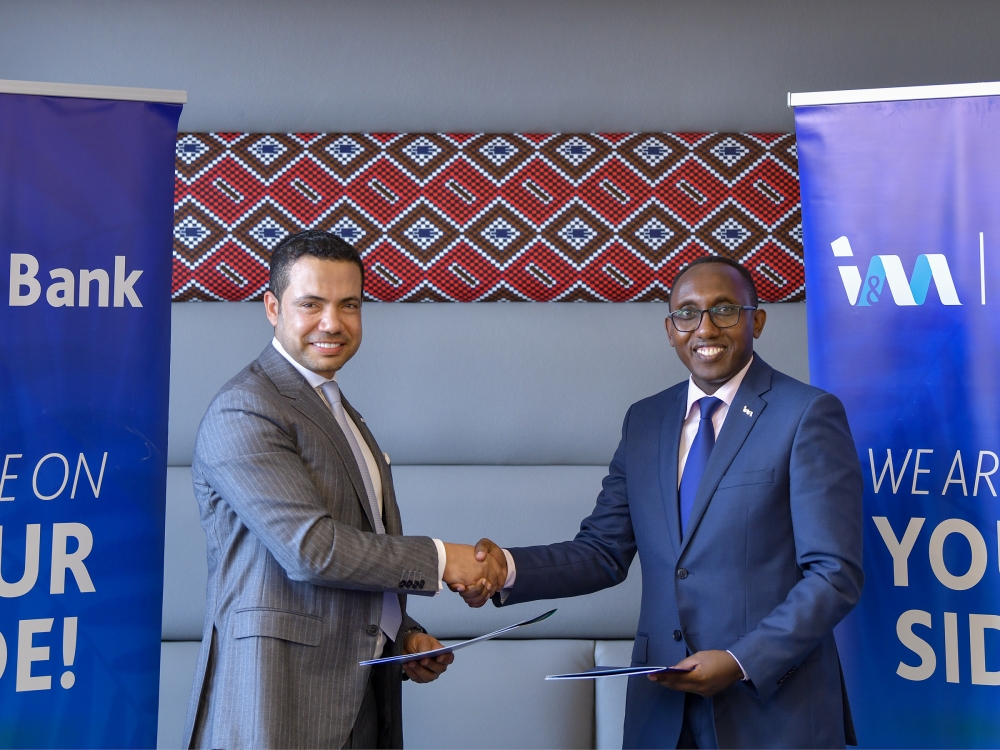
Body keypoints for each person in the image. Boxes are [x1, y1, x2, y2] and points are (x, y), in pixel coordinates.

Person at [462, 257, 864, 749]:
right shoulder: (645, 421)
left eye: (725, 310)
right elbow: (602, 552)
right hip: (662, 712)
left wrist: (741, 660)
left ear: (756, 320)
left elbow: (834, 575)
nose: (705, 328)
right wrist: (505, 568)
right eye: (687, 313)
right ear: (670, 329)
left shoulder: (807, 415)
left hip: (772, 711)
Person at [182, 230, 505, 750]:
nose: (332, 323)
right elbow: (312, 550)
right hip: (277, 702)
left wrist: (402, 634)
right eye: (311, 304)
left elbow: (359, 543)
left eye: (349, 304)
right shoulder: (245, 408)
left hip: (360, 695)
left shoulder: (335, 408)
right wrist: (444, 559)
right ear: (272, 307)